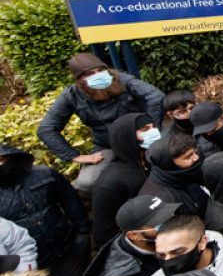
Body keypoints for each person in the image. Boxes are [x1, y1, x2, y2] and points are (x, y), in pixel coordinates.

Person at [38, 52, 164, 194]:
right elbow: (46, 129)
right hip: (107, 145)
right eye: (90, 73)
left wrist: (152, 129)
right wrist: (75, 156)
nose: (98, 75)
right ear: (80, 79)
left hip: (140, 138)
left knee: (166, 162)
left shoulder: (122, 80)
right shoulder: (71, 96)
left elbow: (156, 97)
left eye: (100, 70)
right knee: (86, 182)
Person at [0, 144, 90, 276]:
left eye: (2, 159)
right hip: (32, 262)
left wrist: (83, 231)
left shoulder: (45, 174)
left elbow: (70, 199)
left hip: (66, 247)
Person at [81, 195, 179, 276]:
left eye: (169, 217)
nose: (171, 225)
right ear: (134, 236)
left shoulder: (167, 242)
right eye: (158, 224)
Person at [92, 113, 158, 248]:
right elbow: (104, 234)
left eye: (153, 127)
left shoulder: (149, 161)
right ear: (126, 137)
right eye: (145, 130)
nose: (154, 132)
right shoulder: (110, 183)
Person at [139, 132, 210, 216]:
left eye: (195, 152)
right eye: (188, 156)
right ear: (168, 163)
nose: (196, 158)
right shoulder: (160, 199)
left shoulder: (189, 171)